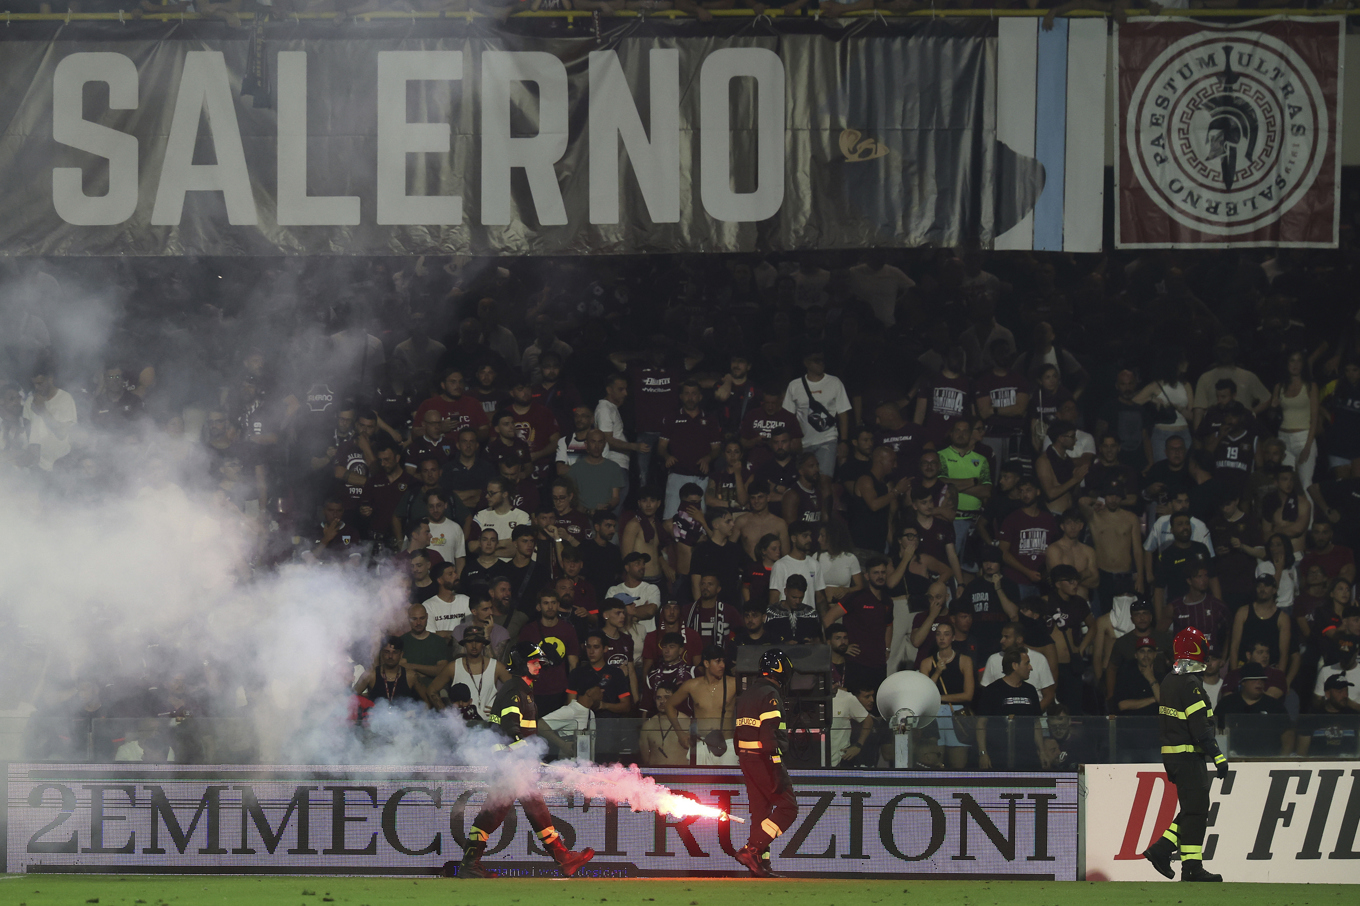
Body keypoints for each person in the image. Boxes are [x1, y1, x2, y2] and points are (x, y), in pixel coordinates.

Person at [451, 642, 595, 879]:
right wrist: (523, 755)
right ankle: (471, 864)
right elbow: (510, 728)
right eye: (534, 662)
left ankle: (562, 858)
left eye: (539, 662)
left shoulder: (522, 688)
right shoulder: (515, 689)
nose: (539, 666)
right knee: (499, 813)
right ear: (520, 663)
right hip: (511, 763)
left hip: (513, 763)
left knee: (523, 809)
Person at [1140, 627, 1229, 883]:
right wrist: (1218, 756)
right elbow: (1199, 727)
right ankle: (1176, 858)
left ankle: (1186, 863)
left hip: (1175, 756)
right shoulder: (1190, 683)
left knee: (1193, 810)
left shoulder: (1169, 680)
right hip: (1189, 756)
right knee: (1196, 811)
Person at [732, 649, 799, 878]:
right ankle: (752, 850)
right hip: (764, 759)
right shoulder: (770, 693)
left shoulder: (748, 693)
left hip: (746, 758)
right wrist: (776, 765)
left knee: (761, 812)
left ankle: (760, 864)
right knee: (788, 808)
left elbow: (738, 731)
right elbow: (770, 733)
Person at [665, 644, 739, 766]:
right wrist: (680, 733)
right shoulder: (692, 685)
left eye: (723, 661)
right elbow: (669, 705)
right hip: (702, 744)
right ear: (706, 663)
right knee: (698, 778)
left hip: (728, 744)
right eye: (718, 661)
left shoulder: (734, 684)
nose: (722, 665)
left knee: (729, 778)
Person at [782, 351, 851, 477]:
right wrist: (792, 440)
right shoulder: (794, 385)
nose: (821, 363)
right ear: (806, 363)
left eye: (822, 360)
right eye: (816, 360)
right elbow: (788, 417)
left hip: (828, 439)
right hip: (803, 443)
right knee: (805, 480)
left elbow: (843, 414)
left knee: (824, 479)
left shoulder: (835, 382)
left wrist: (844, 441)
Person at [919, 616, 975, 770]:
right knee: (933, 763)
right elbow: (924, 694)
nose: (942, 638)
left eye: (946, 634)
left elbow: (968, 695)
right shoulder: (927, 663)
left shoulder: (964, 661)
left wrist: (939, 698)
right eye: (938, 634)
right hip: (934, 714)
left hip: (956, 714)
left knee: (958, 764)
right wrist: (937, 672)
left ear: (953, 637)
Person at [975, 648, 1044, 770]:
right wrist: (983, 753)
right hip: (999, 755)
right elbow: (981, 724)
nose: (1030, 667)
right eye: (1027, 663)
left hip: (1027, 756)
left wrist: (1042, 751)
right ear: (1015, 665)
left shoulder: (1030, 690)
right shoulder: (992, 690)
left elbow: (1036, 723)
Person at [423, 625, 510, 719]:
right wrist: (446, 714)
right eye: (469, 641)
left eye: (478, 641)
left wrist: (501, 708)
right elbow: (431, 690)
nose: (474, 645)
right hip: (462, 723)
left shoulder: (496, 667)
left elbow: (516, 689)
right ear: (464, 644)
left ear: (483, 643)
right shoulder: (453, 667)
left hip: (489, 723)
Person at [354, 636, 424, 706]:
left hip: (404, 713)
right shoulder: (370, 675)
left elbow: (426, 703)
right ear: (382, 653)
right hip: (376, 712)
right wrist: (365, 701)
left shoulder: (411, 676)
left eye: (395, 652)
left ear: (401, 654)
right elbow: (351, 697)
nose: (390, 656)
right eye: (387, 652)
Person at [639, 685, 691, 766]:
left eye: (667, 697)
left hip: (681, 772)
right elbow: (645, 759)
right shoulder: (648, 725)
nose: (662, 701)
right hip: (655, 772)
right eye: (658, 698)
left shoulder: (688, 723)